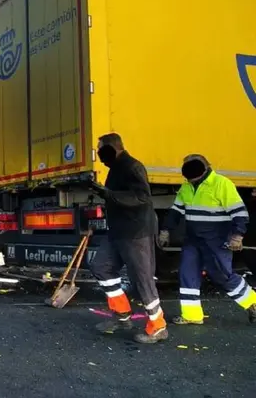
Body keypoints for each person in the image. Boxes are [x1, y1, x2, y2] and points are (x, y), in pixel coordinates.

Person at [158, 154, 256, 325]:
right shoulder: (186, 187)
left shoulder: (221, 184)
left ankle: (252, 303)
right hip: (193, 240)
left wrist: (237, 235)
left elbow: (239, 213)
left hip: (216, 240)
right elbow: (175, 212)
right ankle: (192, 315)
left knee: (222, 276)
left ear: (204, 168)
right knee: (187, 273)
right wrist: (165, 230)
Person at [89, 133, 168, 344]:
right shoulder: (116, 168)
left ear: (114, 148)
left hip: (135, 231)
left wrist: (107, 193)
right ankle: (122, 314)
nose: (100, 156)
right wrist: (103, 193)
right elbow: (116, 196)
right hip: (118, 230)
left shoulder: (132, 166)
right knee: (100, 267)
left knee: (141, 278)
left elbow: (141, 197)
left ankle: (158, 326)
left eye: (101, 150)